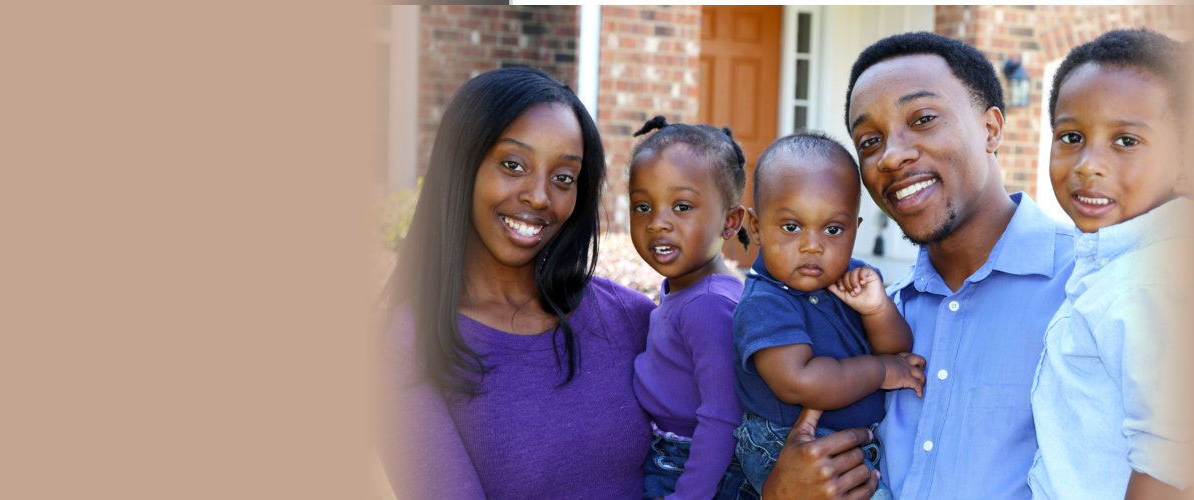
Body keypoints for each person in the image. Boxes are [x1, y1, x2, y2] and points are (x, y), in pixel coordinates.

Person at [761, 32, 1079, 499]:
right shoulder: (875, 314)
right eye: (869, 140)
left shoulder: (1085, 287)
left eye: (923, 119)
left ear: (991, 128)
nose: (890, 156)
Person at [378, 66, 656, 499]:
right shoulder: (406, 345)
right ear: (462, 168)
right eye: (513, 165)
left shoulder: (635, 320)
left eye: (564, 177)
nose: (540, 196)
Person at [1030, 29, 1193, 499]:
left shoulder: (1149, 284)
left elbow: (1168, 465)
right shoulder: (1117, 264)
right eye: (1072, 136)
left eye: (1125, 140)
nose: (1088, 164)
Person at [733, 132, 926, 499]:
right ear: (756, 228)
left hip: (849, 447)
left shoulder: (848, 280)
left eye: (833, 229)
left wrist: (876, 310)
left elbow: (899, 349)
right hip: (788, 449)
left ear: (855, 230)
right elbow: (801, 381)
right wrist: (882, 371)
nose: (812, 245)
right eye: (791, 227)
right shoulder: (765, 302)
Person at [626, 116, 758, 500]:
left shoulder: (709, 304)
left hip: (690, 467)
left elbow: (722, 417)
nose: (657, 224)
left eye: (682, 206)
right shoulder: (688, 291)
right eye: (642, 206)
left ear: (730, 222)